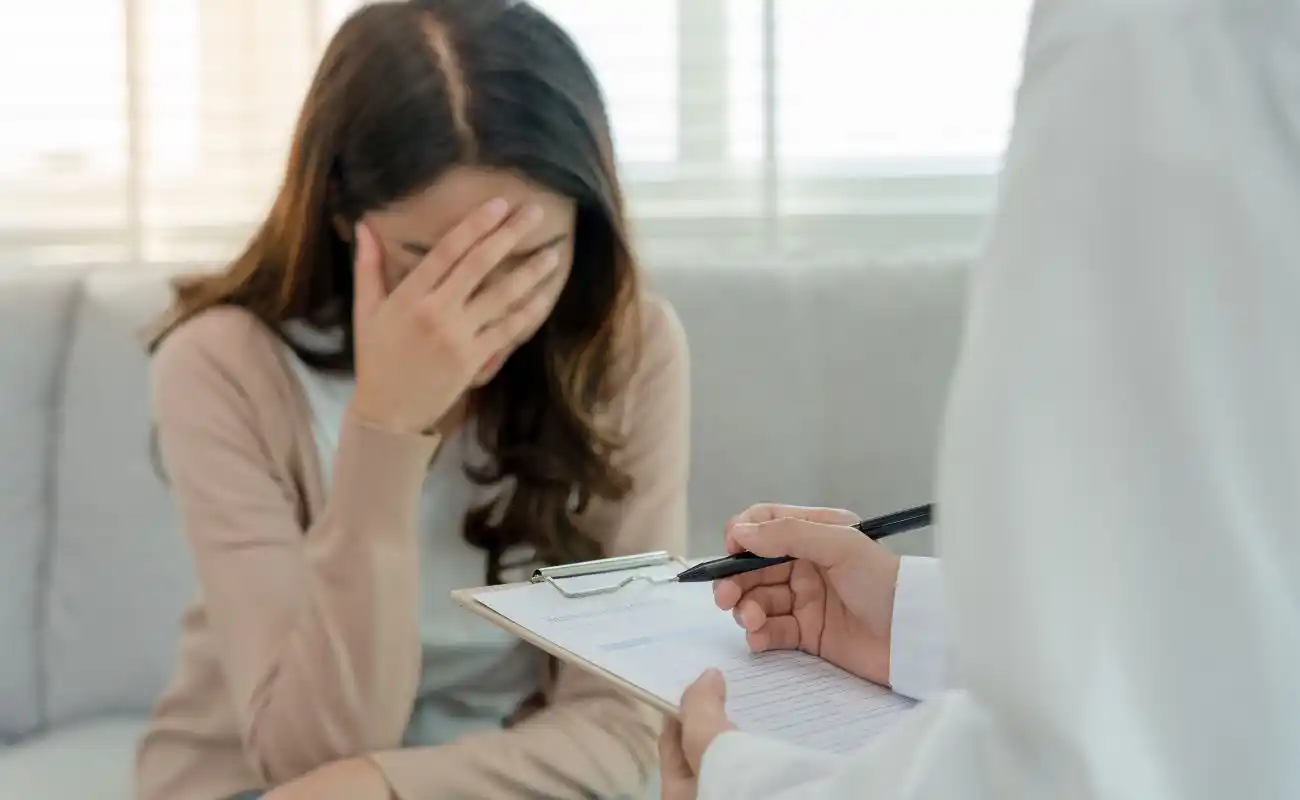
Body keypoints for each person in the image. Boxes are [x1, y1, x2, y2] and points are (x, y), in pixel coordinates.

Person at [661, 0, 1300, 798]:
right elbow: (1220, 630)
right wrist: (907, 620)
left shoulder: (1162, 39)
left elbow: (1097, 759)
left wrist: (738, 779)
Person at [134, 2, 689, 799]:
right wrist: (387, 428)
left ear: (587, 226)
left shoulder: (629, 352)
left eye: (531, 256)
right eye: (429, 261)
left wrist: (385, 786)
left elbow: (626, 716)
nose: (482, 306)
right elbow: (305, 756)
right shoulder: (221, 366)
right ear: (339, 218)